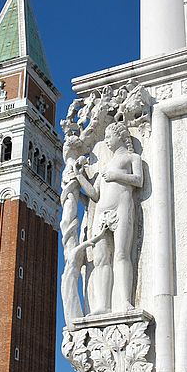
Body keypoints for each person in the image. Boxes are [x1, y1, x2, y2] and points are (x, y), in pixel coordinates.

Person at [73, 122, 143, 314]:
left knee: (121, 254)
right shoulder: (105, 167)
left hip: (122, 209)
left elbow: (138, 180)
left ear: (120, 136)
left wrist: (116, 176)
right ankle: (103, 305)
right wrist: (79, 177)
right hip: (102, 214)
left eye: (108, 136)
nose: (106, 140)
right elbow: (95, 195)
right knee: (100, 259)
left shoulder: (132, 157)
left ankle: (126, 302)